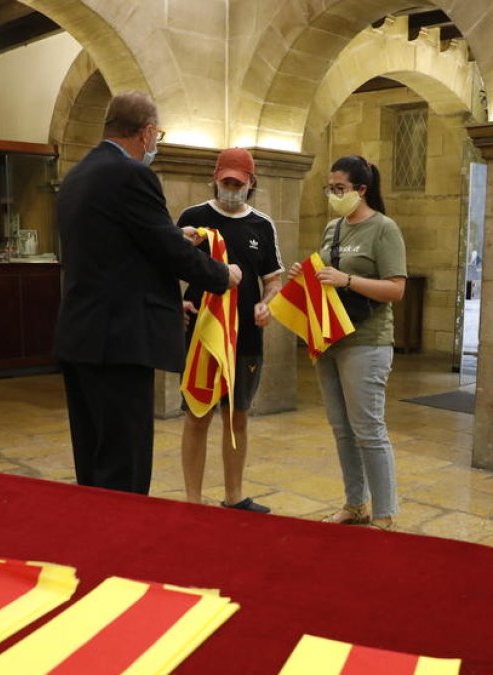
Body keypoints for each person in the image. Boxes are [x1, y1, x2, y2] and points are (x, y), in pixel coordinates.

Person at [53, 90, 242, 495]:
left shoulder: (78, 174)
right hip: (119, 341)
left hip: (82, 335)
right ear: (147, 132)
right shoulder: (132, 174)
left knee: (93, 457)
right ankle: (120, 551)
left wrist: (174, 235)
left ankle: (96, 543)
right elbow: (167, 252)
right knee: (124, 465)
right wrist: (221, 275)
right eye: (157, 137)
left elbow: (117, 247)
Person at [288, 155, 406, 530]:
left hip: (367, 341)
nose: (334, 195)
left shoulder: (384, 229)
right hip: (330, 338)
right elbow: (324, 277)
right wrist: (303, 275)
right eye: (331, 188)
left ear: (361, 190)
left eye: (340, 189)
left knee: (368, 429)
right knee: (342, 428)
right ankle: (355, 504)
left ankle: (384, 513)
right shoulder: (333, 228)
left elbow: (396, 289)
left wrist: (347, 281)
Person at [178, 148, 283, 513]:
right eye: (225, 182)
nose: (231, 188)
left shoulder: (262, 225)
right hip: (203, 335)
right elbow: (166, 267)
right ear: (215, 177)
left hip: (246, 338)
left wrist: (266, 303)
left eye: (238, 183)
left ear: (251, 183)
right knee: (197, 414)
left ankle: (235, 495)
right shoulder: (194, 219)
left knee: (238, 415)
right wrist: (179, 303)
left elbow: (272, 280)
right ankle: (192, 499)